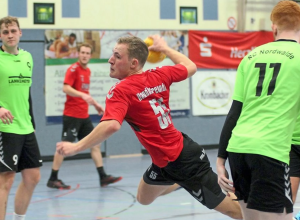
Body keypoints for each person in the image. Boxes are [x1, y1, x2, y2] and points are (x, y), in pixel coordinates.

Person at [56, 35, 243, 219]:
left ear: (134, 63)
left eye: (117, 56)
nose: (110, 60)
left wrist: (76, 147)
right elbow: (190, 66)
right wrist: (165, 49)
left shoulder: (120, 90)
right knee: (143, 198)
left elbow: (111, 125)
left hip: (185, 162)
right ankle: (180, 183)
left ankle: (259, 210)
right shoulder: (159, 75)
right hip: (165, 161)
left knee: (237, 212)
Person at [216, 1, 300, 220]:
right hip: (269, 151)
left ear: (273, 26)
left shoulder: (250, 57)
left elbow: (235, 111)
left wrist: (220, 158)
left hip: (238, 149)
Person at [47, 43, 122, 189]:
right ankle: (53, 178)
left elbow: (85, 94)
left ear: (90, 55)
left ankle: (103, 177)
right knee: (64, 146)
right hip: (72, 115)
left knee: (95, 143)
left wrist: (95, 104)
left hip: (83, 115)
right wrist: (82, 95)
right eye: (82, 52)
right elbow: (66, 88)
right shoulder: (73, 69)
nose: (85, 55)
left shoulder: (87, 71)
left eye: (87, 53)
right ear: (78, 53)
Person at [0, 16, 42, 220]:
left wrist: (31, 123)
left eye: (13, 31)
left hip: (26, 127)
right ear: (0, 35)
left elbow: (27, 93)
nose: (10, 35)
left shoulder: (27, 57)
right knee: (5, 181)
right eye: (5, 32)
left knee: (33, 177)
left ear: (20, 33)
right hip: (5, 128)